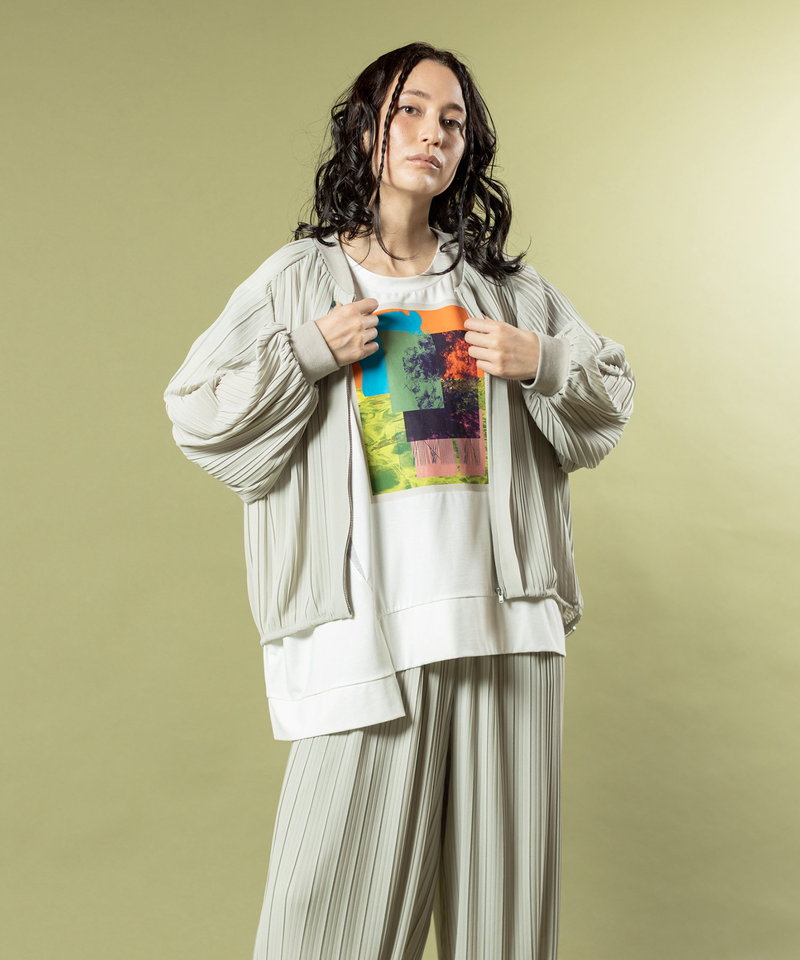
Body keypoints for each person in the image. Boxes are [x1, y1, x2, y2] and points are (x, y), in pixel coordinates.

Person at [163, 41, 635, 960]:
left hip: (509, 631)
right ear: (366, 132)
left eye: (452, 121)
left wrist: (541, 361)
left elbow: (609, 397)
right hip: (367, 637)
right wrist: (308, 351)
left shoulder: (505, 289)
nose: (432, 134)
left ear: (468, 147)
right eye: (410, 111)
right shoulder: (299, 280)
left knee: (504, 934)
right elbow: (197, 410)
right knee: (324, 930)